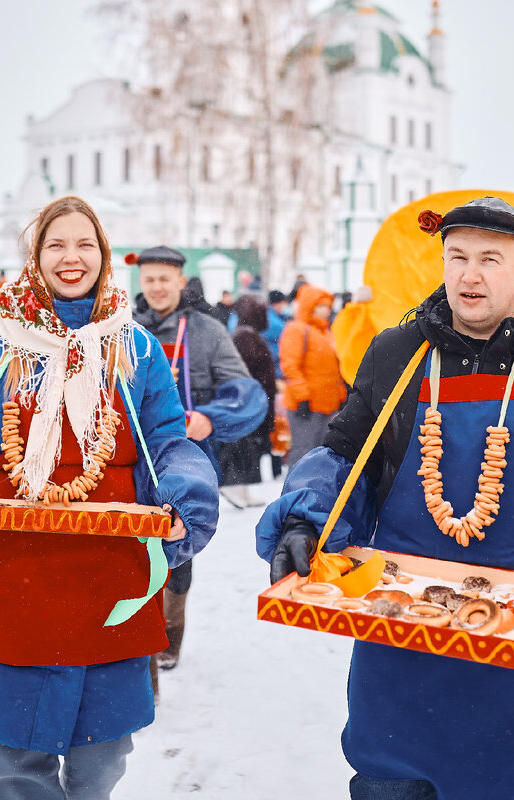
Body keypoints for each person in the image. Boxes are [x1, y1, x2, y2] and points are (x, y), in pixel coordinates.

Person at [255, 196, 514, 800]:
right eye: (457, 257)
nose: (470, 275)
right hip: (405, 636)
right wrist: (306, 522)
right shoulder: (395, 353)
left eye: (489, 259)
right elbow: (347, 461)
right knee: (393, 783)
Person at [0, 196, 218, 798]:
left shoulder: (135, 348)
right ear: (36, 256)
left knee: (99, 762)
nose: (71, 257)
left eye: (85, 244)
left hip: (110, 574)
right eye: (56, 244)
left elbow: (167, 441)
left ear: (103, 257)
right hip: (11, 573)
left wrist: (186, 492)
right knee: (15, 763)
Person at [133, 244, 267, 677]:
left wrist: (210, 418)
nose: (156, 287)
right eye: (148, 278)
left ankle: (170, 635)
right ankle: (138, 645)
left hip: (185, 462)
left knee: (176, 552)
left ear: (179, 280)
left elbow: (246, 394)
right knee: (131, 553)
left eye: (164, 278)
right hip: (129, 459)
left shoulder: (206, 331)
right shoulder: (124, 328)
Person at [216, 294, 278, 508]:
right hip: (250, 400)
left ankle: (242, 489)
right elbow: (243, 371)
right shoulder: (246, 337)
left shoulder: (246, 334)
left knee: (247, 446)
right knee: (242, 446)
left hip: (253, 399)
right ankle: (234, 486)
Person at [279, 284, 346, 467]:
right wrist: (302, 396)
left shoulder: (326, 332)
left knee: (320, 453)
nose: (326, 311)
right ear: (309, 307)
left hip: (327, 404)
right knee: (303, 452)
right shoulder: (297, 329)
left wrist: (339, 395)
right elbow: (290, 366)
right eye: (320, 307)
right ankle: (297, 491)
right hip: (306, 405)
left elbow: (333, 368)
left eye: (327, 306)